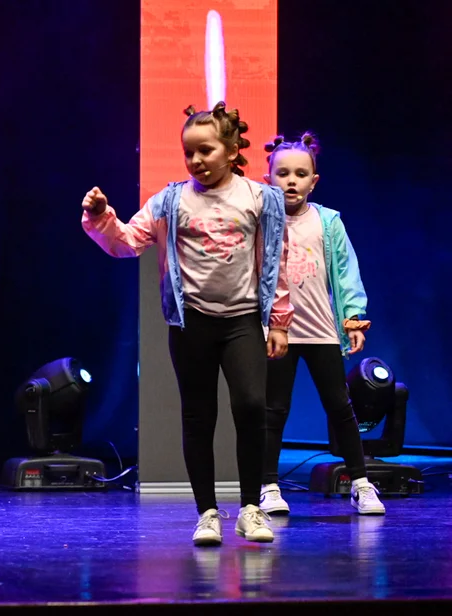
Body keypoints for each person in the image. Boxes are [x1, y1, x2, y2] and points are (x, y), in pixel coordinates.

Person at [82, 102, 292, 545]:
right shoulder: (171, 200)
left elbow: (275, 261)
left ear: (231, 150)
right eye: (188, 152)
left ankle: (251, 508)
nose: (196, 160)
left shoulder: (260, 198)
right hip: (192, 323)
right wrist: (102, 216)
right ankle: (207, 513)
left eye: (205, 150)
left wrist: (278, 321)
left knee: (251, 405)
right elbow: (127, 242)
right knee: (199, 415)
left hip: (241, 320)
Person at [260, 133, 384, 516]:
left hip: (320, 331)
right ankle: (268, 486)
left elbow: (346, 273)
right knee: (274, 409)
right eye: (283, 173)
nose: (291, 181)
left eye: (300, 174)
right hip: (276, 333)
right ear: (267, 179)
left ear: (313, 181)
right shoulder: (260, 221)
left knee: (340, 407)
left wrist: (353, 319)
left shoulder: (327, 222)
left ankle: (361, 484)